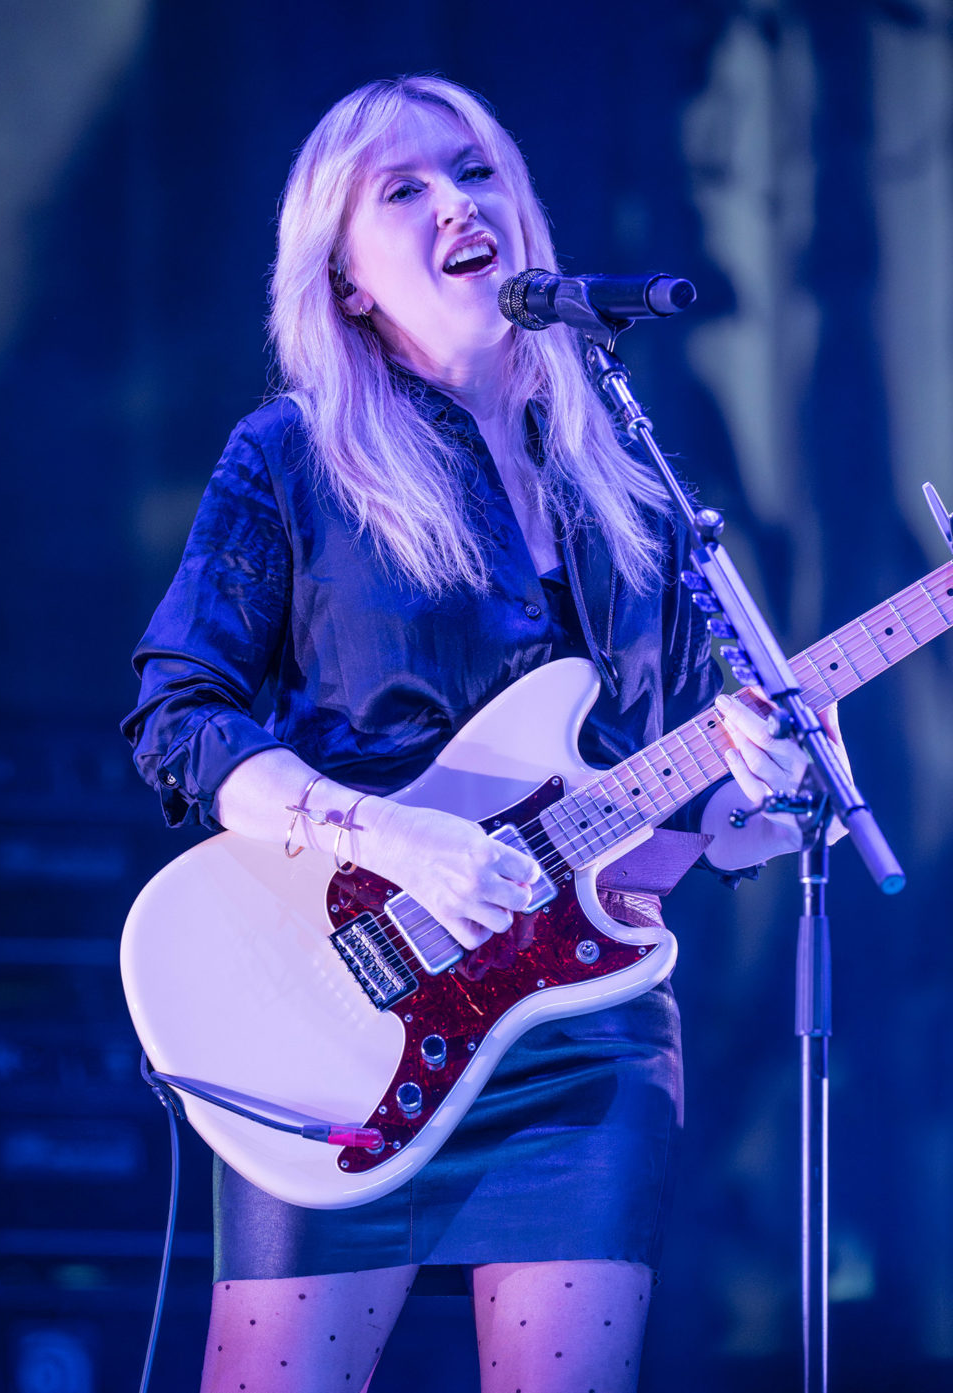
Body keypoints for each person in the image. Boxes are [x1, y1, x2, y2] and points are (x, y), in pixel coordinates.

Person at [122, 75, 847, 1393]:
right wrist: (396, 838)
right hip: (333, 1010)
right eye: (404, 189)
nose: (461, 203)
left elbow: (685, 816)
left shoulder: (632, 488)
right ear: (341, 275)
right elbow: (181, 718)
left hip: (582, 1037)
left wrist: (765, 786)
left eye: (476, 172)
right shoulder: (290, 460)